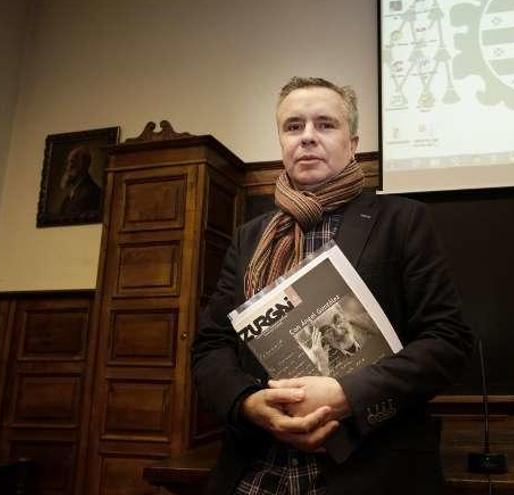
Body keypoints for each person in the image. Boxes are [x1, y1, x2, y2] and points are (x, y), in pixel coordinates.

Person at [192, 76, 474, 495]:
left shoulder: (403, 220)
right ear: (281, 142)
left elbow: (447, 342)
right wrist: (250, 404)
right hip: (257, 467)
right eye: (293, 126)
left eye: (325, 125)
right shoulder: (249, 237)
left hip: (370, 469)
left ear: (353, 142)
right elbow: (210, 346)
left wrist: (346, 393)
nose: (307, 137)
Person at [57, 145, 101, 214]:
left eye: (72, 162)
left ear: (83, 164)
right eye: (68, 162)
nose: (68, 168)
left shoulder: (91, 192)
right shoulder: (71, 194)